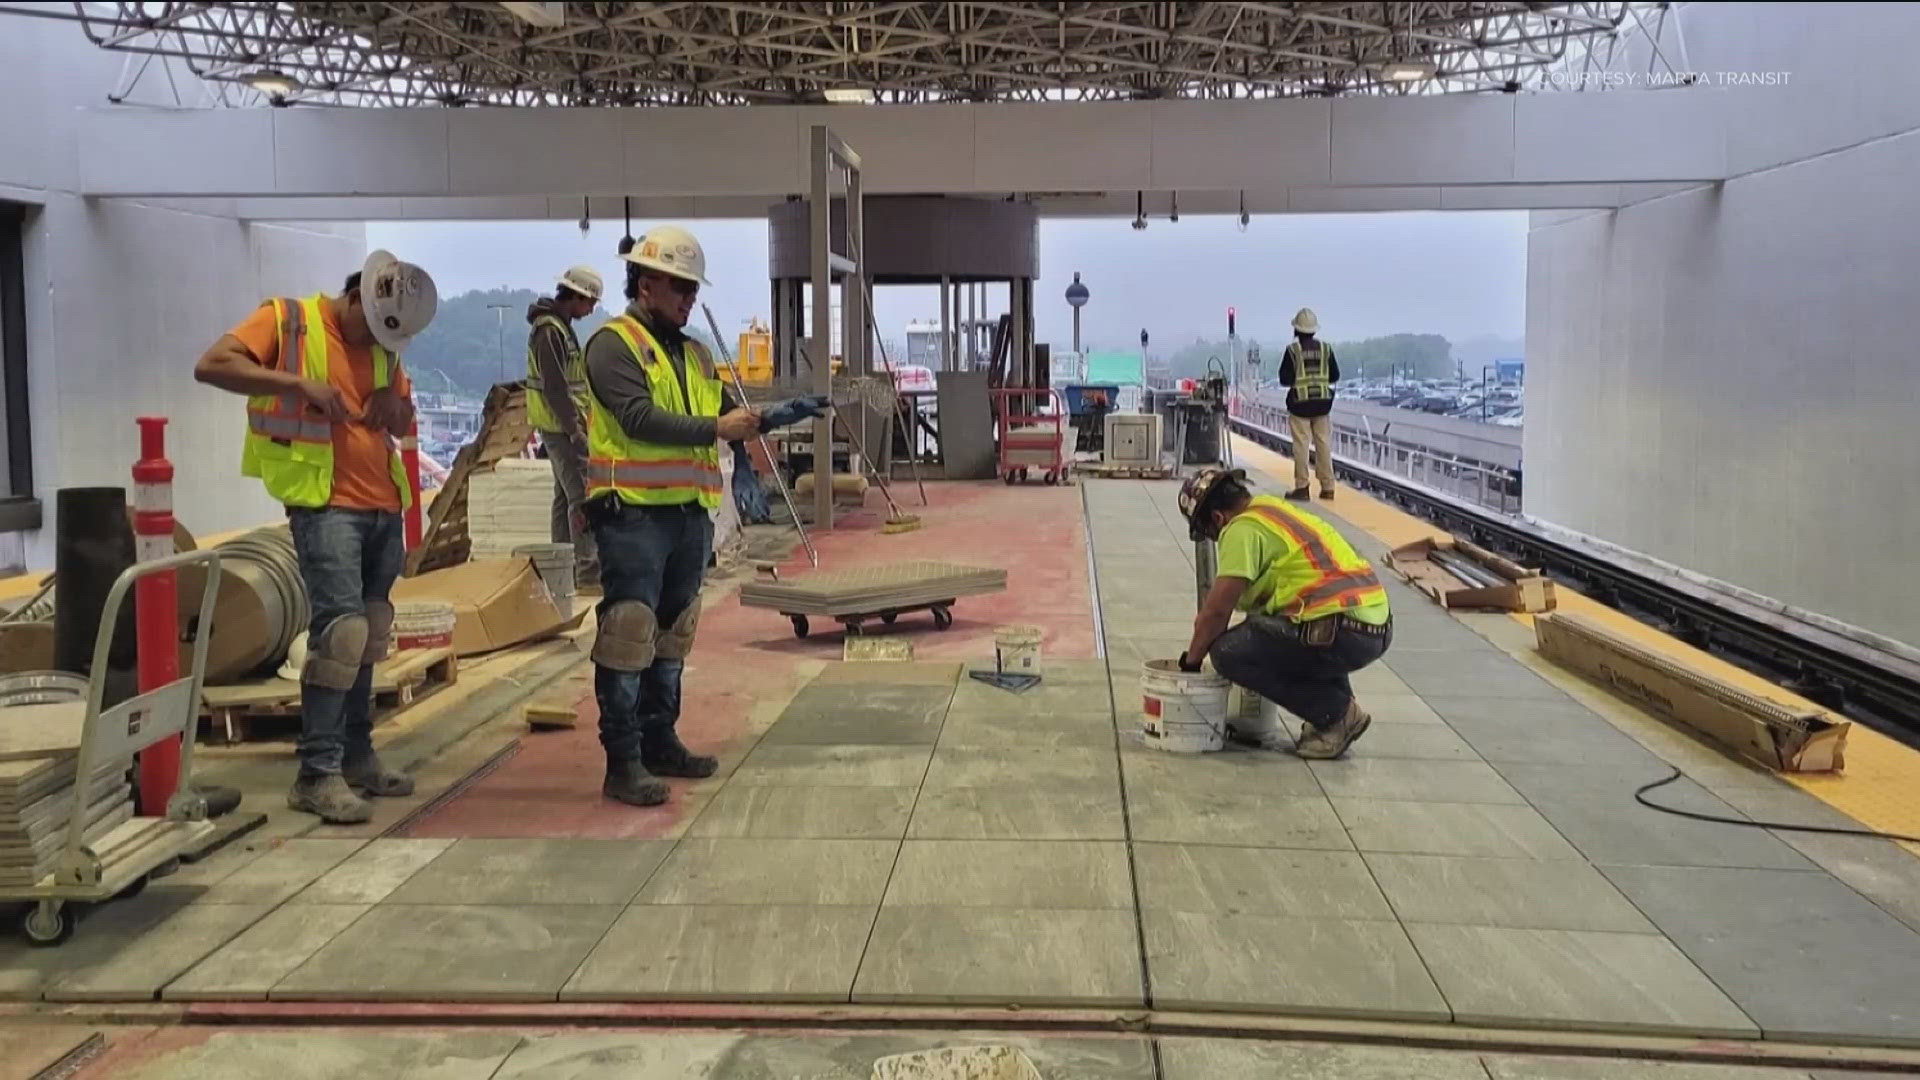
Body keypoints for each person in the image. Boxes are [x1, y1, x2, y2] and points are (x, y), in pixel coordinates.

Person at [583, 225, 827, 806]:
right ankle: (623, 761)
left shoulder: (692, 353)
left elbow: (723, 413)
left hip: (688, 516)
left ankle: (660, 738)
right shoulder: (613, 345)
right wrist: (720, 428)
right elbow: (639, 419)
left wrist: (776, 416)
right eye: (678, 287)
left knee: (673, 633)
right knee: (629, 632)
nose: (688, 299)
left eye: (692, 289)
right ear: (645, 284)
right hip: (634, 516)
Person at [194, 250, 437, 823]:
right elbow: (212, 365)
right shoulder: (290, 320)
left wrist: (393, 405)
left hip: (382, 502)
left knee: (371, 633)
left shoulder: (385, 343)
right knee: (342, 634)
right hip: (325, 503)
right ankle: (316, 773)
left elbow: (400, 417)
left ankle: (357, 757)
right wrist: (296, 384)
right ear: (359, 297)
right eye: (374, 330)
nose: (379, 344)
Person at [1175, 466, 1390, 759]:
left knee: (1229, 652)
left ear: (1217, 518)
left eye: (1210, 533)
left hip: (1342, 629)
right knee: (1271, 631)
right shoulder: (1271, 509)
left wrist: (1191, 663)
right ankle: (1336, 714)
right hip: (1372, 625)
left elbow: (1216, 613)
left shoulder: (1240, 529)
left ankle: (1337, 714)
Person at [526, 265, 604, 588]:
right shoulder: (549, 331)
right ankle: (587, 572)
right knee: (581, 497)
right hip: (561, 427)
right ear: (576, 296)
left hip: (561, 425)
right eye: (590, 302)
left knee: (564, 497)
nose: (592, 309)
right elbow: (555, 387)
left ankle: (561, 569)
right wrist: (575, 430)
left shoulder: (561, 326)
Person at [1278, 307, 1338, 500]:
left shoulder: (1292, 351)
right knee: (1323, 444)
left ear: (1296, 330)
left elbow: (1284, 379)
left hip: (1300, 405)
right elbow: (1335, 375)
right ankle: (1328, 487)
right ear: (1314, 329)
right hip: (1322, 405)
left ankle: (1302, 487)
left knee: (1301, 446)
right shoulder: (1326, 349)